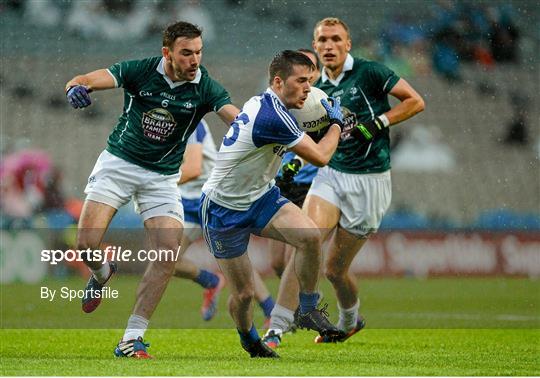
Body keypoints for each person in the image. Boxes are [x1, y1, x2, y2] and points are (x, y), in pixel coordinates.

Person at [64, 21, 239, 359]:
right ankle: (102, 272)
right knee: (86, 244)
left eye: (199, 53)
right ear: (167, 53)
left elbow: (235, 117)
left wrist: (257, 129)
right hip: (118, 165)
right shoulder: (140, 70)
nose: (194, 60)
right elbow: (84, 79)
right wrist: (75, 87)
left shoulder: (205, 87)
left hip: (161, 178)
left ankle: (132, 338)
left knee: (166, 254)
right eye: (186, 53)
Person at [263, 17, 425, 348]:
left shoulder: (370, 72)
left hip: (370, 181)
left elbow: (415, 101)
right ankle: (277, 327)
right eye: (322, 40)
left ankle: (350, 320)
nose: (328, 46)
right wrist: (294, 160)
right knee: (306, 241)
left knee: (336, 270)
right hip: (332, 175)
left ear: (348, 44)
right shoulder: (314, 87)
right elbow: (310, 134)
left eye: (336, 39)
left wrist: (379, 122)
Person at [199, 50, 346, 358]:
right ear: (279, 82)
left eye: (311, 81)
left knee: (309, 236)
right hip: (222, 209)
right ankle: (250, 339)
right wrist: (335, 123)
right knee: (244, 294)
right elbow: (320, 156)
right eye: (301, 80)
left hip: (260, 196)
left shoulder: (270, 105)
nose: (308, 87)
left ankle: (306, 308)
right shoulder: (272, 116)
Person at [173, 119, 276, 326]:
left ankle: (271, 311)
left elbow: (193, 169)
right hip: (187, 203)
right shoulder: (163, 125)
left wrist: (155, 184)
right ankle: (210, 281)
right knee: (167, 260)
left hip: (212, 201)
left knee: (236, 261)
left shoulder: (190, 121)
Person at [269, 48, 321, 279]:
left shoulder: (322, 103)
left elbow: (324, 145)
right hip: (282, 181)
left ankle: (296, 311)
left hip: (309, 185)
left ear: (317, 73)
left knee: (295, 255)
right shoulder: (282, 100)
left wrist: (299, 162)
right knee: (277, 263)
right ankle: (298, 305)